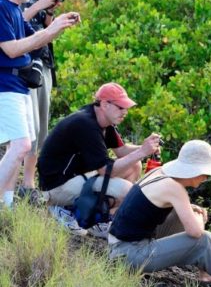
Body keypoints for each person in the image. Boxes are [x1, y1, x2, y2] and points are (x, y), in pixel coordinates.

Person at [108, 140, 211, 287]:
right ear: (195, 170)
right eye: (205, 173)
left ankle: (207, 274)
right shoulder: (174, 188)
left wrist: (188, 208)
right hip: (129, 255)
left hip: (118, 248)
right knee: (203, 239)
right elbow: (196, 233)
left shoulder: (159, 172)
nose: (206, 178)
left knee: (189, 216)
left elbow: (146, 204)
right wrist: (199, 220)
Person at [0, 0, 78, 210]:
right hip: (6, 83)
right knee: (22, 144)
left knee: (21, 144)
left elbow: (33, 42)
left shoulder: (14, 9)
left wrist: (56, 24)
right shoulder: (1, 7)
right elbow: (11, 49)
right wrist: (50, 30)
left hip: (19, 83)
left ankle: (8, 205)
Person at [37, 82, 161, 236]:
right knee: (127, 191)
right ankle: (65, 209)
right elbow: (105, 170)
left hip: (75, 178)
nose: (125, 112)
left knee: (134, 165)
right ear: (104, 104)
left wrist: (147, 147)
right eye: (120, 107)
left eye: (126, 108)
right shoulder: (85, 124)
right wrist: (143, 151)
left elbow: (122, 151)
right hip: (55, 187)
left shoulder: (104, 121)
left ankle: (102, 219)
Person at [16, 0, 63, 202]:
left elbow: (45, 30)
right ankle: (21, 183)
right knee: (28, 127)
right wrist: (39, 3)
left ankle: (29, 182)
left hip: (42, 63)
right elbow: (16, 20)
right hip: (23, 66)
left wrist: (49, 13)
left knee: (41, 124)